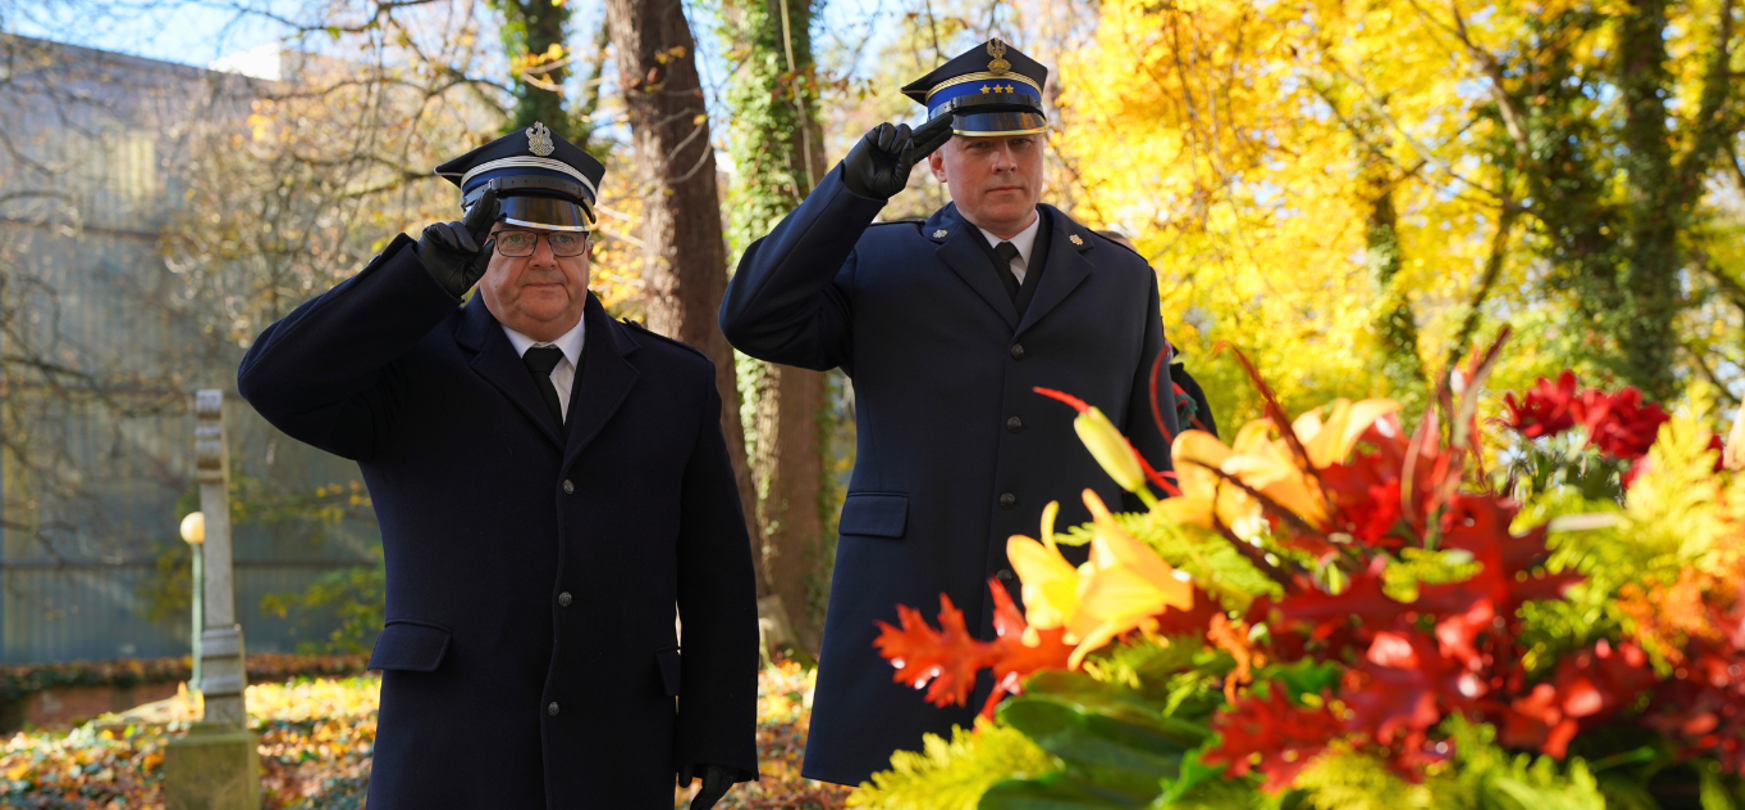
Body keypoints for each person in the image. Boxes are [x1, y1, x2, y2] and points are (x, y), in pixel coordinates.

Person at [236, 123, 759, 810]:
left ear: (589, 248)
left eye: (566, 236)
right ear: (477, 249)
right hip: (450, 760)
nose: (545, 257)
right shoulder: (403, 369)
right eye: (515, 237)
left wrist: (718, 729)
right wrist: (413, 282)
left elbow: (716, 570)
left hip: (617, 755)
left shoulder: (673, 382)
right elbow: (272, 380)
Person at [720, 39, 1177, 785]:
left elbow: (1157, 446)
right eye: (978, 146)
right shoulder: (878, 261)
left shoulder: (1122, 277)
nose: (1005, 161)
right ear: (936, 163)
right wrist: (851, 192)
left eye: (1021, 143)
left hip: (1072, 609)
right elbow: (751, 319)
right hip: (909, 607)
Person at [1093, 228, 1217, 435]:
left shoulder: (1183, 386)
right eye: (1122, 268)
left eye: (1140, 268)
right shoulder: (1064, 367)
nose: (1136, 278)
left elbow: (1212, 463)